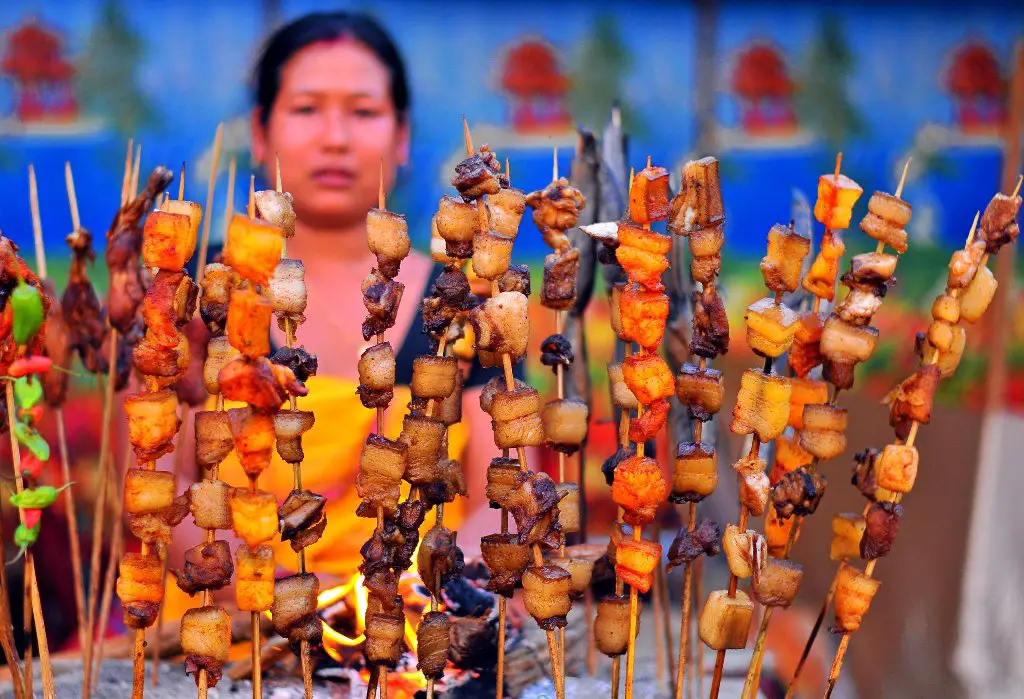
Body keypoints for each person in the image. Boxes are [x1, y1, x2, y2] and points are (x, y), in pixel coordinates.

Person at [166, 12, 511, 622]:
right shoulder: (197, 296)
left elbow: (500, 500)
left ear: (401, 135)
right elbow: (157, 499)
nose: (335, 137)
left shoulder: (470, 302)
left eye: (363, 111)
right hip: (223, 636)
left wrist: (428, 597)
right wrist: (299, 599)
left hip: (424, 628)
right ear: (261, 130)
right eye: (305, 109)